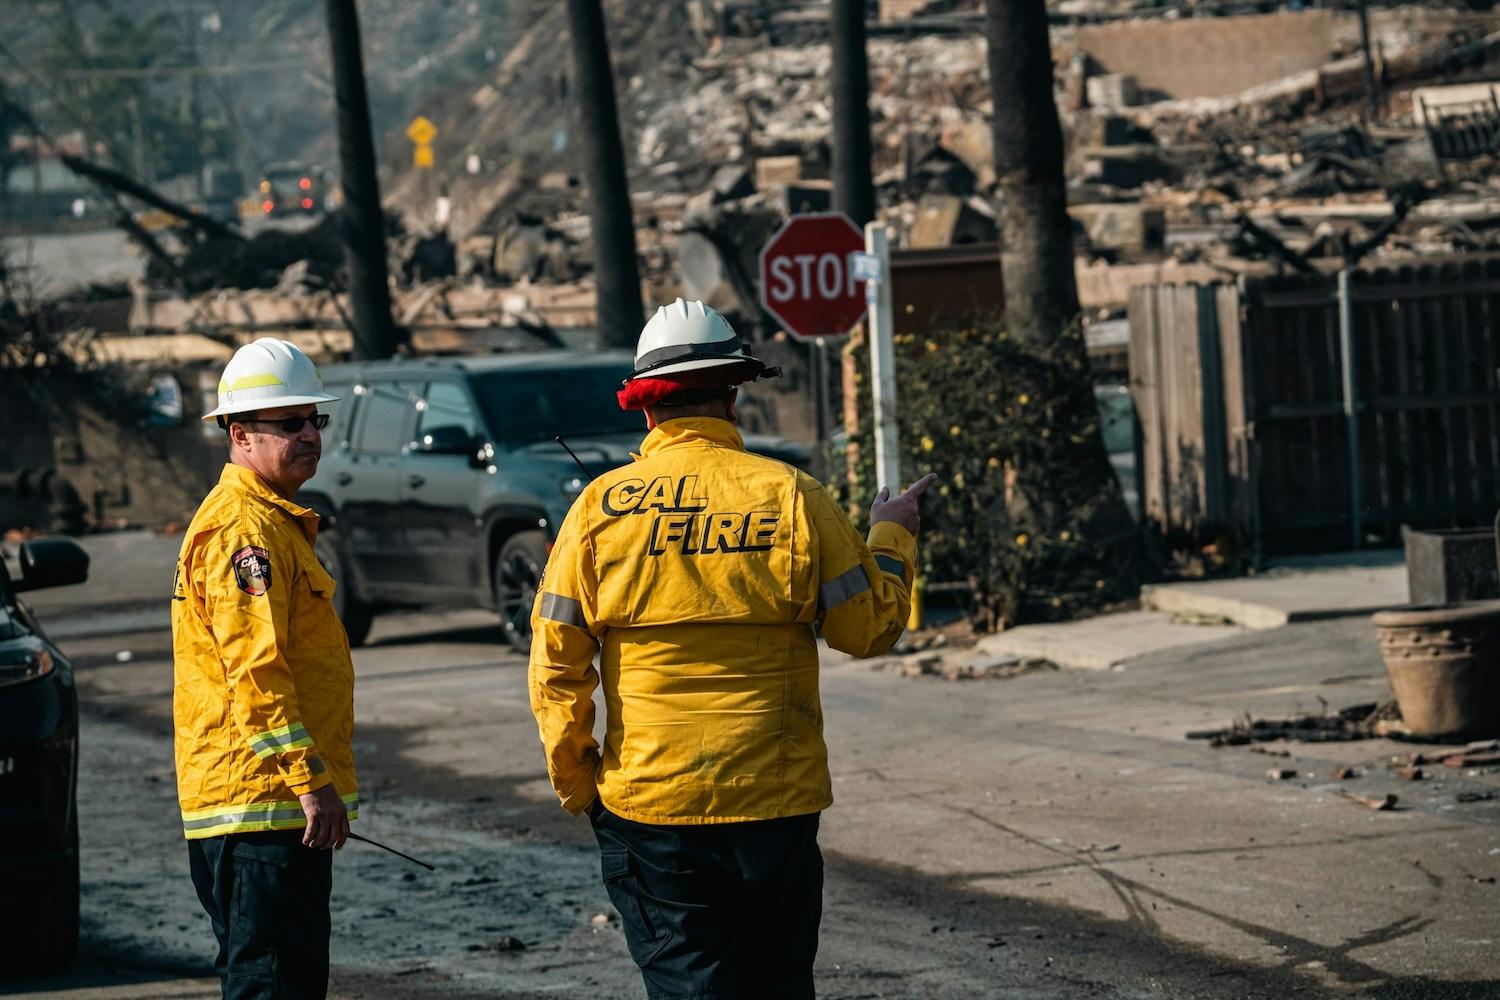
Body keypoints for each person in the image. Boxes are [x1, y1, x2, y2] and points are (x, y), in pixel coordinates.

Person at [529, 299, 937, 999]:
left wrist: (578, 781)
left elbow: (556, 663)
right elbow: (867, 629)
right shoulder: (792, 496)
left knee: (690, 985)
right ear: (732, 395)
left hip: (649, 805)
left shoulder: (600, 508)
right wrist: (891, 536)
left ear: (647, 409)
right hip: (773, 802)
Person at [172, 338, 357, 1000]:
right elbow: (257, 674)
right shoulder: (245, 532)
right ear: (240, 434)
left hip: (269, 808)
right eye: (290, 423)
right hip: (262, 808)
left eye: (315, 420)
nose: (310, 435)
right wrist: (312, 783)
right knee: (271, 986)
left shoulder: (272, 523)